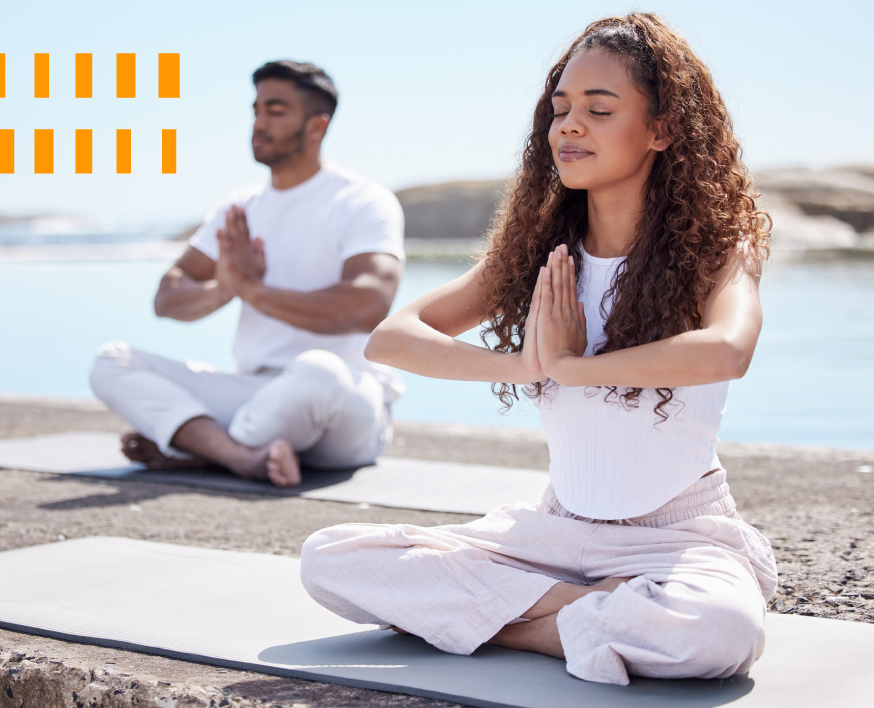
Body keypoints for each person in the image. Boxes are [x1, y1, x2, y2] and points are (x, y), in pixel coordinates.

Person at [300, 14, 777, 686]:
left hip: (677, 536)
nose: (569, 126)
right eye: (560, 110)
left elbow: (727, 350)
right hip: (554, 533)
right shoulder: (539, 253)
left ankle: (507, 624)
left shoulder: (719, 250)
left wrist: (574, 369)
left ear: (663, 129)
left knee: (720, 632)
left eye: (598, 109)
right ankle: (588, 616)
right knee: (331, 559)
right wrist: (524, 365)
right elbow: (391, 337)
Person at [90, 60, 405, 489]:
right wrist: (225, 288)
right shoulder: (239, 207)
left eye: (275, 111)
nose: (259, 122)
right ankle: (241, 456)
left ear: (317, 126)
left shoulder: (363, 201)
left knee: (318, 370)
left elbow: (367, 306)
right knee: (113, 361)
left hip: (345, 402)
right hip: (254, 393)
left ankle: (201, 451)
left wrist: (253, 291)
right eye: (256, 109)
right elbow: (167, 297)